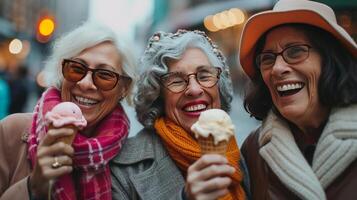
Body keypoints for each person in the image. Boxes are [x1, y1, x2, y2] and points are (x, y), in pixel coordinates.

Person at [0, 22, 136, 199]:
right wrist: (33, 186)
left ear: (124, 88)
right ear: (61, 71)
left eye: (104, 75)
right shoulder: (11, 131)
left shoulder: (134, 158)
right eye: (76, 68)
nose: (86, 83)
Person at [110, 30, 250, 200]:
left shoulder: (244, 154)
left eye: (204, 76)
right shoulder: (123, 169)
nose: (194, 89)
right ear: (157, 95)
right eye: (176, 81)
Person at [239, 0, 357, 199]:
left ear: (330, 60)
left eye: (295, 52)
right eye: (268, 58)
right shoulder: (253, 149)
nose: (277, 68)